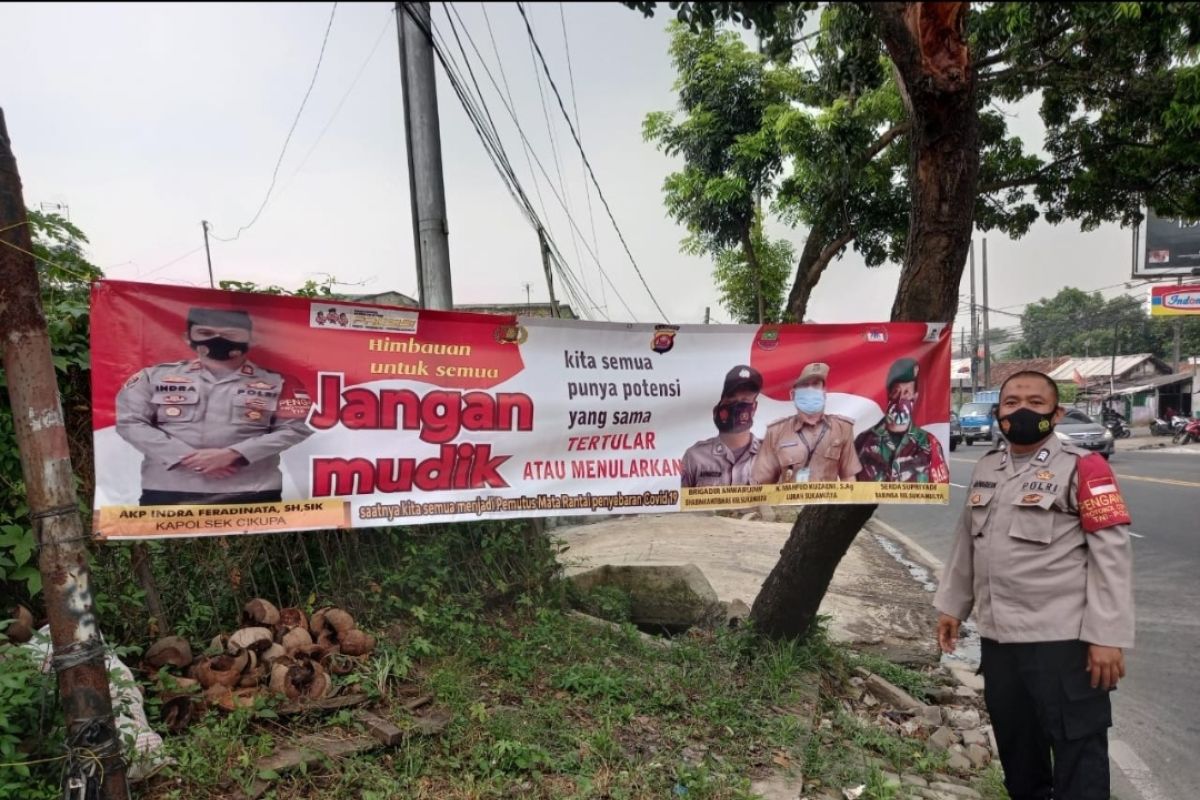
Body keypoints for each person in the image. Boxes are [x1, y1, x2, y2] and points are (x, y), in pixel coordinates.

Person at [934, 371, 1134, 800]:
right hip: (1000, 641)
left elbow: (1111, 556)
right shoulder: (988, 466)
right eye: (1011, 403)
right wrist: (953, 606)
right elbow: (967, 542)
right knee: (1019, 754)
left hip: (1064, 642)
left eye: (1035, 403)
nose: (1021, 410)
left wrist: (1107, 636)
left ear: (1056, 413)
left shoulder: (1085, 466)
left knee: (1079, 757)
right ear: (998, 413)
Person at [115, 308, 315, 506]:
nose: (217, 339)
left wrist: (234, 454)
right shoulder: (152, 377)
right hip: (168, 489)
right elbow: (130, 422)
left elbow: (294, 428)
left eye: (230, 334)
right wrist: (191, 459)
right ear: (187, 337)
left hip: (252, 490)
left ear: (252, 339)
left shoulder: (281, 381)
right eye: (205, 333)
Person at [751, 362, 861, 484]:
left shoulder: (842, 428)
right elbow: (763, 484)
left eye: (815, 385)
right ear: (793, 395)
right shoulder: (776, 431)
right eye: (804, 385)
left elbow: (849, 479)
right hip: (790, 502)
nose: (810, 390)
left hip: (828, 502)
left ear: (824, 393)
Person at [855, 357, 949, 483]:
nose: (900, 399)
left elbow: (941, 486)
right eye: (896, 392)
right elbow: (850, 484)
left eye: (906, 393)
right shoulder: (863, 441)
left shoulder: (928, 444)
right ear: (888, 394)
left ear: (915, 397)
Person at [680, 365, 763, 487]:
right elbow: (681, 503)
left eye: (745, 401)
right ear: (719, 407)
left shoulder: (771, 455)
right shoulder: (695, 456)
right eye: (732, 400)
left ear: (754, 407)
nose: (737, 407)